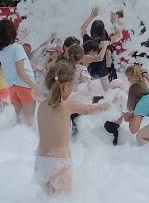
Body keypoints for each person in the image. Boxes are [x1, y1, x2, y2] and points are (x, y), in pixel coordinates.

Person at [35, 62, 109, 195]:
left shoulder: (42, 105)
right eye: (72, 87)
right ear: (66, 86)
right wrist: (108, 104)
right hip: (59, 162)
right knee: (63, 201)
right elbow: (90, 109)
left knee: (48, 200)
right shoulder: (68, 105)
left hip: (41, 161)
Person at [0, 18, 37, 125]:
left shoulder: (0, 52)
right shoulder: (17, 48)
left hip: (12, 88)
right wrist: (35, 86)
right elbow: (21, 72)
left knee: (20, 121)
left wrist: (23, 36)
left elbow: (13, 47)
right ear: (12, 32)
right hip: (25, 87)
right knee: (29, 121)